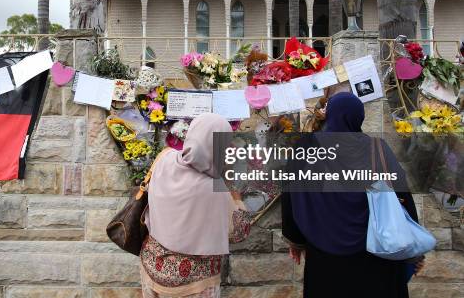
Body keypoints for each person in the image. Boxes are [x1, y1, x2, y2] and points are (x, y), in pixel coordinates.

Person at [281, 92, 425, 298]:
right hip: (376, 254)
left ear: (329, 115)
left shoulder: (306, 149)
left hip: (325, 256)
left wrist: (295, 240)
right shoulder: (377, 149)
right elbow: (402, 197)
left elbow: (290, 194)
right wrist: (414, 252)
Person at [140, 113, 251, 298]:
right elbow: (239, 231)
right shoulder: (215, 190)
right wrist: (234, 192)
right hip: (193, 283)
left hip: (151, 266)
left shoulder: (165, 158)